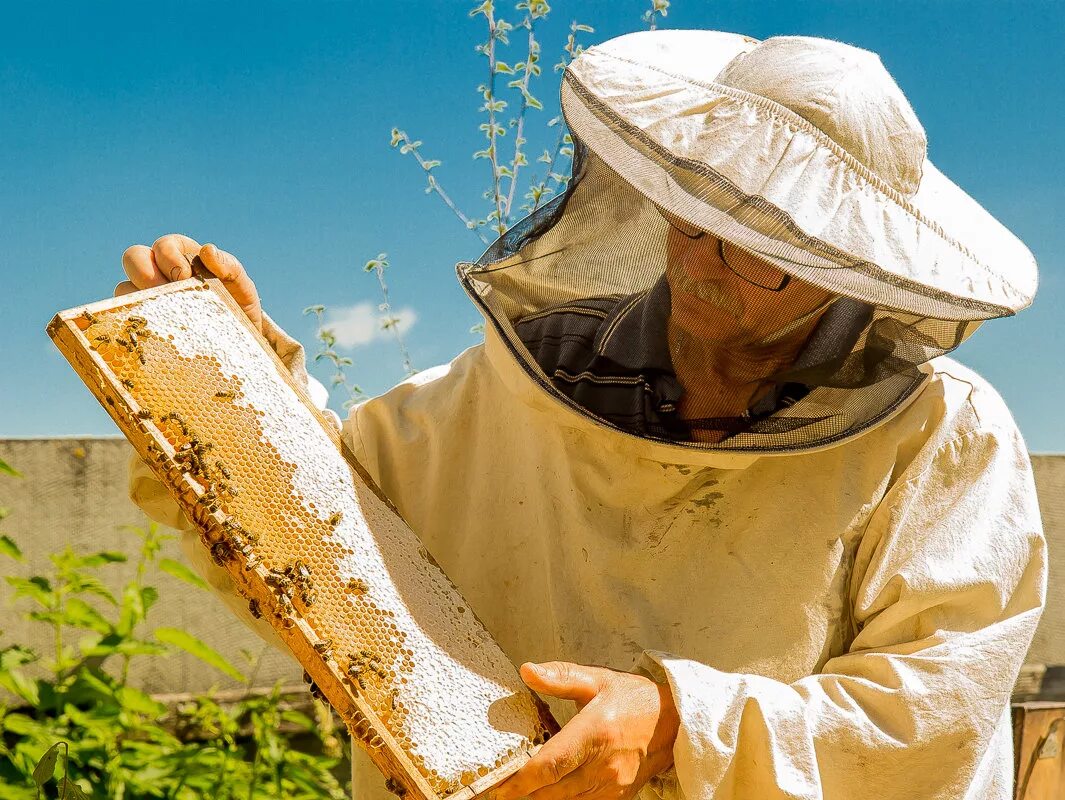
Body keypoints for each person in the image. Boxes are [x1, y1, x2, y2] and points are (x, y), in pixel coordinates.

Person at [121, 31, 1046, 800]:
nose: (701, 265)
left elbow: (936, 705)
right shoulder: (484, 402)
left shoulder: (943, 440)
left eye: (763, 252)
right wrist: (233, 377)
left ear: (848, 267)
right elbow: (318, 542)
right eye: (695, 215)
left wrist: (685, 725)